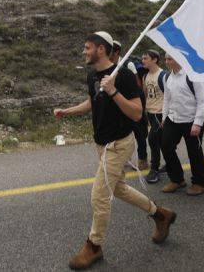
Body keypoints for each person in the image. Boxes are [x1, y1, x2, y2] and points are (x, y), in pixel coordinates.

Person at [54, 31, 176, 270]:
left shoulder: (125, 77)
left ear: (101, 49)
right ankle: (161, 215)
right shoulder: (93, 76)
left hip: (119, 144)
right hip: (101, 144)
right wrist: (67, 111)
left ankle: (94, 246)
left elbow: (137, 112)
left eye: (87, 47)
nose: (84, 51)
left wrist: (113, 91)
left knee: (99, 194)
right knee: (118, 189)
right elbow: (93, 101)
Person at [160, 53, 204, 196]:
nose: (167, 62)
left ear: (179, 59)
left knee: (194, 152)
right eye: (166, 59)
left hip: (192, 121)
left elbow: (202, 101)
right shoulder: (166, 77)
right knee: (166, 146)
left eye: (170, 58)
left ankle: (199, 183)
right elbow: (166, 99)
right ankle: (177, 179)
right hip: (173, 119)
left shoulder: (193, 75)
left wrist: (197, 123)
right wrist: (164, 117)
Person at [110, 41, 149, 170]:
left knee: (139, 131)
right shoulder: (108, 66)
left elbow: (137, 84)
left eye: (109, 50)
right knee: (121, 131)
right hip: (118, 102)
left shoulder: (128, 64)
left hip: (132, 101)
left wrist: (139, 104)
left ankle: (143, 159)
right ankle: (124, 158)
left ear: (116, 52)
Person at [141, 50, 166, 183]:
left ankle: (154, 170)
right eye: (142, 58)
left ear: (155, 59)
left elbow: (170, 96)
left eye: (145, 58)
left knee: (152, 140)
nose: (143, 60)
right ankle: (169, 163)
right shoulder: (145, 76)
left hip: (160, 113)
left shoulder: (162, 75)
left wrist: (166, 116)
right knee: (161, 141)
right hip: (150, 113)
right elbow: (146, 95)